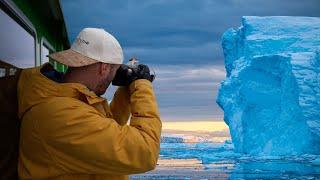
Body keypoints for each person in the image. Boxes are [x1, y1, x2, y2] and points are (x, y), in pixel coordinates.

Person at [17, 28, 162, 180]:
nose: (113, 78)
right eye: (114, 71)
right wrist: (142, 86)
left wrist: (126, 91)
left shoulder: (66, 100)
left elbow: (106, 131)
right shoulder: (61, 115)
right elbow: (145, 152)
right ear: (103, 68)